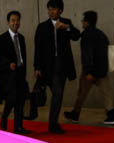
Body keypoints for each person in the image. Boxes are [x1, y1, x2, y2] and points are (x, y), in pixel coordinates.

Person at [34, 0, 80, 134]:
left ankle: (53, 123)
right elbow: (38, 49)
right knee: (58, 93)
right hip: (47, 67)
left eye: (54, 9)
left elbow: (77, 36)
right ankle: (53, 124)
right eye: (49, 9)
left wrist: (66, 27)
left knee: (58, 95)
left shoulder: (66, 22)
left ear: (60, 10)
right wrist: (37, 67)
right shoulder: (42, 27)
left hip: (62, 67)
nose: (51, 12)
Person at [64, 11, 114, 125]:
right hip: (102, 71)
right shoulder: (101, 34)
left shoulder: (86, 36)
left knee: (81, 94)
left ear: (87, 22)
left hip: (90, 72)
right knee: (107, 94)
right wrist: (104, 69)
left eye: (83, 21)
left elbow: (87, 55)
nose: (82, 23)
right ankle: (111, 116)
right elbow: (108, 52)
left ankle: (75, 114)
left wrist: (87, 71)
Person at [0, 10, 30, 134]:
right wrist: (8, 64)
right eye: (13, 20)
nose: (15, 23)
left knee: (20, 100)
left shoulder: (22, 38)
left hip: (20, 73)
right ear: (8, 22)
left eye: (17, 20)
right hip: (8, 75)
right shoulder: (2, 38)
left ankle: (18, 127)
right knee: (12, 99)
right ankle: (4, 116)